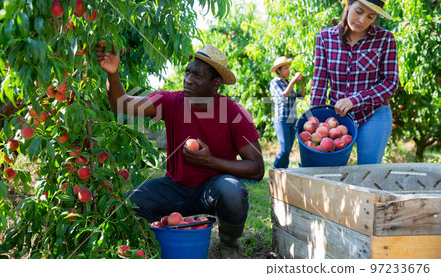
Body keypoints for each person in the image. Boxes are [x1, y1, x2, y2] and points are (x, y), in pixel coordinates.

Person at [97, 43, 265, 258]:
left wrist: (211, 162)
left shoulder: (234, 113)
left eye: (197, 75)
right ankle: (152, 244)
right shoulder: (171, 101)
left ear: (215, 84)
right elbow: (122, 105)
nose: (188, 79)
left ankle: (228, 245)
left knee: (233, 191)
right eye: (187, 72)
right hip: (175, 187)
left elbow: (257, 168)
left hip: (214, 190)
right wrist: (113, 75)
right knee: (131, 203)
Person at [311, 0, 399, 164]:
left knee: (367, 171)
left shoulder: (385, 39)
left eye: (371, 16)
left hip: (374, 113)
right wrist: (315, 119)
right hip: (338, 115)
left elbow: (390, 82)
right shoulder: (325, 38)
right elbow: (320, 82)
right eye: (359, 12)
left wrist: (355, 100)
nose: (362, 20)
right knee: (328, 169)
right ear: (348, 4)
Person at [269, 56, 306, 169]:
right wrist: (293, 82)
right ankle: (275, 171)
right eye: (285, 68)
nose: (288, 70)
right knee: (284, 150)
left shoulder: (289, 82)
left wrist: (302, 83)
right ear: (278, 70)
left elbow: (302, 95)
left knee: (288, 150)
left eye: (288, 68)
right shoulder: (275, 82)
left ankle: (283, 173)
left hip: (292, 119)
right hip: (282, 119)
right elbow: (283, 96)